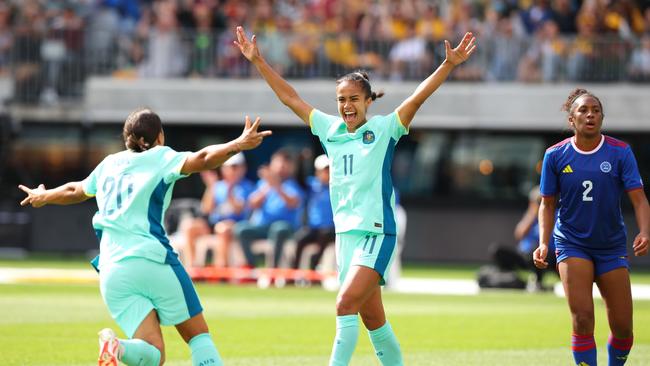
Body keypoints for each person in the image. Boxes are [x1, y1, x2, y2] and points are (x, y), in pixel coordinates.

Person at [235, 25, 476, 366]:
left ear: (367, 101)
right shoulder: (329, 130)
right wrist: (258, 60)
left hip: (375, 232)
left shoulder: (384, 128)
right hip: (346, 236)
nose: (347, 106)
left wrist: (448, 65)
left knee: (344, 304)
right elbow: (290, 97)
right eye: (342, 100)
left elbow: (417, 97)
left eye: (353, 99)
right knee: (372, 319)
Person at [18, 108, 271, 366]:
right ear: (160, 136)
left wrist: (44, 195)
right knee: (198, 337)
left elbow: (76, 190)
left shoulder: (109, 164)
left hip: (111, 270)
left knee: (154, 354)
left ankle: (117, 348)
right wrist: (239, 144)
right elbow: (204, 158)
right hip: (151, 259)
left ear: (126, 138)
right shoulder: (161, 156)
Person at [534, 88, 649, 366]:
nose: (590, 115)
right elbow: (547, 204)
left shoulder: (620, 152)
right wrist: (544, 242)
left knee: (623, 327)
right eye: (583, 110)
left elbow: (639, 200)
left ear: (601, 117)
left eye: (595, 110)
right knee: (583, 319)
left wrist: (645, 231)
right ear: (572, 119)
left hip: (610, 246)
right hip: (572, 244)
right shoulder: (556, 155)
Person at [178, 152, 255, 268]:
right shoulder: (217, 186)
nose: (232, 171)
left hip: (236, 225)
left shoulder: (248, 186)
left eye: (235, 167)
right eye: (230, 167)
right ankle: (192, 268)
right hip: (214, 223)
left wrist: (230, 192)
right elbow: (206, 209)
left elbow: (239, 210)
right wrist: (210, 187)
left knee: (222, 229)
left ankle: (220, 269)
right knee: (189, 227)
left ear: (243, 168)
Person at [234, 148, 304, 268]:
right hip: (262, 227)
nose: (280, 167)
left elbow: (293, 203)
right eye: (278, 163)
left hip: (284, 228)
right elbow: (252, 204)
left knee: (278, 228)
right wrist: (268, 185)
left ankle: (273, 269)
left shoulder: (293, 184)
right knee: (241, 229)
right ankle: (251, 266)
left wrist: (276, 185)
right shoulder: (263, 184)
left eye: (284, 164)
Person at [292, 154, 335, 270]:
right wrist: (301, 162)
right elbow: (299, 178)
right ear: (317, 172)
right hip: (314, 229)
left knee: (325, 234)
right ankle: (293, 273)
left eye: (328, 170)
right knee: (300, 238)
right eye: (324, 170)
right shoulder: (312, 185)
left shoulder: (337, 186)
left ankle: (314, 268)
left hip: (332, 230)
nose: (327, 173)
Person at [513, 185, 556, 291]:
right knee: (498, 251)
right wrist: (532, 213)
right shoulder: (530, 216)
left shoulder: (554, 215)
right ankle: (512, 280)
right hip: (525, 255)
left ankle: (538, 282)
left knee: (537, 250)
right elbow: (519, 233)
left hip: (547, 255)